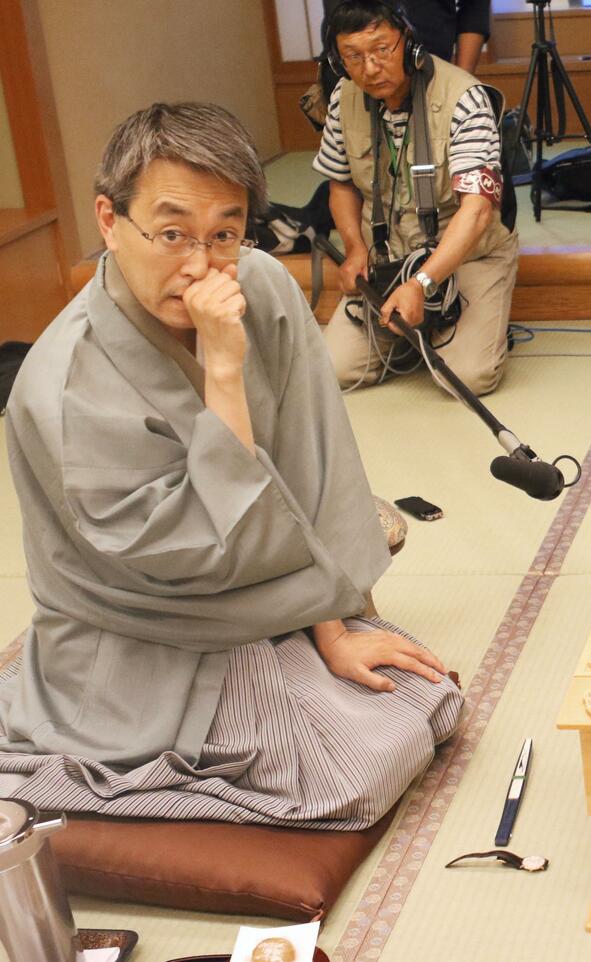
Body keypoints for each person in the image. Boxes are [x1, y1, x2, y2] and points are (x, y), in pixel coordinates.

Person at [0, 103, 462, 828]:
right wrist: (223, 370)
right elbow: (199, 551)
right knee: (353, 776)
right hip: (152, 625)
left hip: (263, 585)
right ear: (109, 220)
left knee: (426, 700)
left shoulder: (262, 285)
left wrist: (338, 618)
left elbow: (319, 454)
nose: (201, 263)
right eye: (172, 231)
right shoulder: (65, 388)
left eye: (225, 233)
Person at [317, 0, 518, 395]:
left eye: (381, 50)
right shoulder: (344, 96)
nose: (369, 69)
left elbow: (477, 212)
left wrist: (422, 282)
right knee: (334, 369)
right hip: (388, 253)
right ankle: (420, 337)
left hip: (466, 254)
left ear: (409, 43)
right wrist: (355, 248)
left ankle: (459, 329)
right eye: (353, 57)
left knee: (466, 378)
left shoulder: (465, 96)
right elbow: (340, 184)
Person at [323, 0, 491, 74]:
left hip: (431, 64)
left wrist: (462, 78)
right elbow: (337, 11)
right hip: (354, 71)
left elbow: (474, 6)